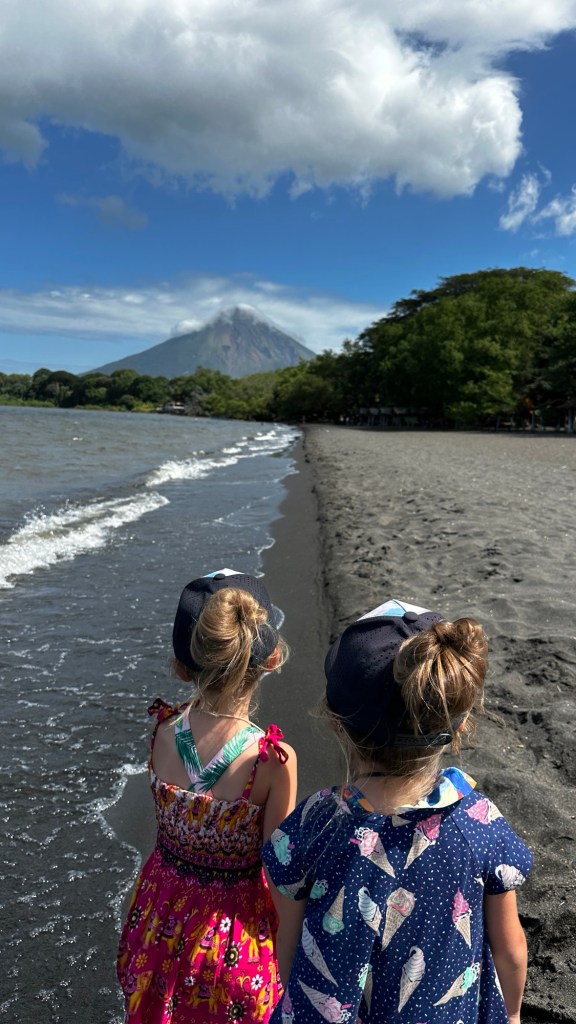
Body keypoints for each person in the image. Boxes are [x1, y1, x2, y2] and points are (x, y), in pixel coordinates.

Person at [262, 599, 532, 1024]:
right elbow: (509, 949)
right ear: (459, 725)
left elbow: (290, 945)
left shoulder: (317, 821)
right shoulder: (478, 823)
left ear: (336, 721)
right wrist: (512, 1014)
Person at [117, 569, 298, 1024]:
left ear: (182, 666)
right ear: (271, 659)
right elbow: (279, 872)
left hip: (158, 916)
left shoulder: (162, 730)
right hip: (232, 938)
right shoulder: (270, 760)